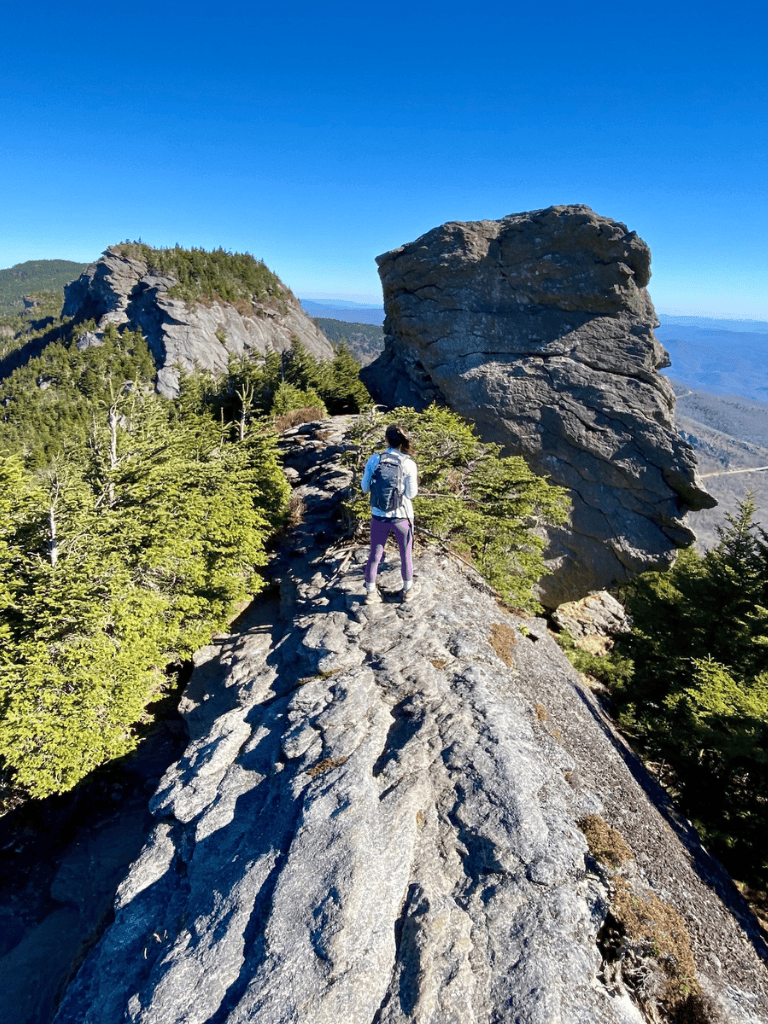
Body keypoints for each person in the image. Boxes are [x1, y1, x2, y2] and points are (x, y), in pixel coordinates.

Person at [361, 423, 419, 604]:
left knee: (375, 555)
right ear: (402, 441)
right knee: (405, 555)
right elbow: (411, 494)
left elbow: (364, 488)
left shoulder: (374, 460)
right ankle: (408, 591)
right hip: (402, 517)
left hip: (378, 516)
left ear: (385, 439)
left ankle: (371, 593)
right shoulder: (408, 463)